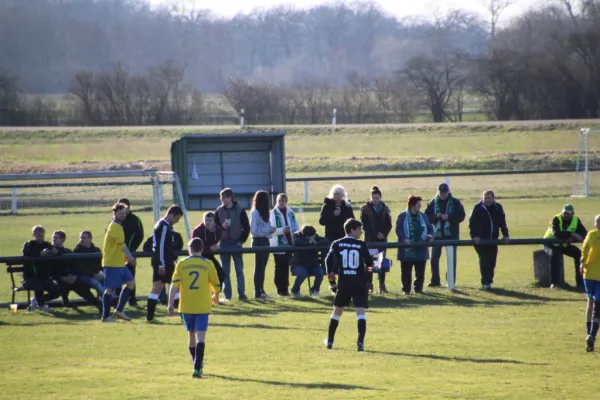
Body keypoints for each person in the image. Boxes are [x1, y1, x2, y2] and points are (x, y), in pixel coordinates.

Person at [167, 238, 220, 378]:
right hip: (202, 305)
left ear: (189, 249)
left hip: (186, 305)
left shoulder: (181, 263)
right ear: (202, 249)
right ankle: (197, 368)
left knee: (191, 335)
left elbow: (174, 285)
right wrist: (216, 295)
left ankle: (195, 362)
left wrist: (170, 303)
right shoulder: (208, 263)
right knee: (201, 337)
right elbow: (216, 283)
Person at [324, 219, 374, 351]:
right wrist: (369, 279)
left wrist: (332, 279)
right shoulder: (361, 244)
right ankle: (360, 342)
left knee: (337, 312)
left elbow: (328, 259)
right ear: (351, 230)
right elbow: (369, 264)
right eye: (359, 229)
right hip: (359, 282)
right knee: (360, 312)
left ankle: (330, 341)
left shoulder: (337, 243)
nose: (361, 232)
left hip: (344, 283)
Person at [44, 230, 101, 312]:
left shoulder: (67, 251)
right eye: (53, 238)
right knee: (59, 288)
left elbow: (74, 265)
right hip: (55, 278)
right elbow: (49, 259)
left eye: (56, 238)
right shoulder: (49, 251)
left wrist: (72, 276)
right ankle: (39, 300)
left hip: (68, 278)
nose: (53, 239)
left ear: (62, 240)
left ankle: (98, 304)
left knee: (81, 287)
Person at [146, 205, 183, 323]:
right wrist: (161, 264)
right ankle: (183, 316)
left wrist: (174, 258)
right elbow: (160, 247)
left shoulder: (166, 226)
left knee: (167, 287)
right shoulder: (163, 226)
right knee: (172, 286)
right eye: (177, 218)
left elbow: (167, 248)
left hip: (164, 261)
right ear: (171, 214)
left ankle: (150, 317)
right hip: (162, 262)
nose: (177, 221)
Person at [101, 202, 137, 322]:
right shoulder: (115, 226)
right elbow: (122, 245)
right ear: (114, 213)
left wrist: (124, 258)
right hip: (112, 263)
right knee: (109, 289)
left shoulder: (118, 226)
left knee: (131, 283)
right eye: (120, 213)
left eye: (124, 213)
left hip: (119, 263)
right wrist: (130, 257)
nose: (122, 215)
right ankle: (106, 316)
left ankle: (119, 310)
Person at [424, 183, 466, 287]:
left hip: (452, 235)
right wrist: (436, 217)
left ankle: (450, 281)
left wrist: (450, 217)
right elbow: (427, 217)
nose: (443, 194)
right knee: (434, 258)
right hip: (437, 235)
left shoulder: (456, 203)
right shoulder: (433, 202)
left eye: (445, 192)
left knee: (451, 260)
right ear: (438, 191)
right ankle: (435, 281)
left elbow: (461, 216)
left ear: (448, 191)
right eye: (441, 192)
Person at [468, 190, 510, 290]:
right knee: (484, 260)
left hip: (493, 240)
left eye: (488, 198)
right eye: (485, 198)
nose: (486, 200)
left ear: (493, 198)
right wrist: (475, 236)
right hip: (481, 240)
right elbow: (472, 223)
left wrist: (506, 235)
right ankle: (485, 282)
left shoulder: (498, 208)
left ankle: (489, 281)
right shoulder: (477, 208)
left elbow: (502, 222)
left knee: (492, 261)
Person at [214, 188, 250, 302]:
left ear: (231, 198)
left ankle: (242, 294)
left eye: (224, 197)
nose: (222, 200)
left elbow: (246, 228)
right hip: (224, 244)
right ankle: (227, 295)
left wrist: (241, 241)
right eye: (221, 198)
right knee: (225, 271)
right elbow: (214, 228)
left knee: (239, 270)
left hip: (236, 244)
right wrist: (221, 228)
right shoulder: (218, 211)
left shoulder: (240, 210)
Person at [319, 184, 355, 294]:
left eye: (338, 194)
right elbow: (322, 221)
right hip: (330, 238)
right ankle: (333, 284)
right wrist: (332, 214)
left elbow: (352, 220)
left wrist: (343, 215)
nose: (336, 196)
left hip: (344, 238)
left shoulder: (347, 206)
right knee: (331, 262)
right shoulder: (327, 206)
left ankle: (343, 286)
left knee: (345, 262)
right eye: (334, 194)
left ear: (343, 195)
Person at [396, 195, 434, 295]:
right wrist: (404, 239)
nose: (420, 206)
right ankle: (406, 290)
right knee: (406, 271)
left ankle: (418, 289)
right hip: (407, 250)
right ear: (412, 205)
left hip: (421, 249)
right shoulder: (402, 216)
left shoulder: (423, 216)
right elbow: (399, 229)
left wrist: (430, 235)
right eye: (418, 204)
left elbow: (430, 228)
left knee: (420, 271)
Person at [543, 204, 587, 289]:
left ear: (573, 213)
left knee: (579, 254)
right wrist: (572, 234)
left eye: (568, 213)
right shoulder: (556, 218)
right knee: (554, 255)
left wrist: (572, 237)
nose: (565, 215)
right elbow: (556, 233)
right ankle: (554, 283)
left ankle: (580, 283)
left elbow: (584, 233)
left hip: (562, 244)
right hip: (550, 243)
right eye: (564, 213)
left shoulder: (576, 220)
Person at [359, 185, 392, 294]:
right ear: (370, 198)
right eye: (373, 198)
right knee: (370, 263)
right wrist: (376, 233)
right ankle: (369, 284)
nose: (375, 200)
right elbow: (365, 225)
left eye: (377, 198)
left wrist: (383, 233)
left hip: (382, 241)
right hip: (370, 240)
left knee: (381, 262)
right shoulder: (365, 209)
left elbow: (389, 224)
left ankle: (382, 284)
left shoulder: (386, 209)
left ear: (380, 197)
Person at [21, 225, 60, 312]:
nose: (41, 238)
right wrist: (40, 253)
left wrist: (55, 252)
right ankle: (41, 304)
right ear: (33, 235)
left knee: (57, 292)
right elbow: (26, 253)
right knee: (38, 286)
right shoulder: (28, 244)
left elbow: (57, 253)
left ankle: (38, 301)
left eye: (42, 236)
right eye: (39, 236)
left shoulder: (47, 244)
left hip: (44, 277)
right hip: (30, 277)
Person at [269, 193, 301, 296]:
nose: (281, 203)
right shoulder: (273, 213)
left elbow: (295, 225)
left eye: (283, 201)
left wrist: (297, 232)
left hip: (289, 243)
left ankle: (285, 289)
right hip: (278, 244)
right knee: (279, 267)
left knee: (286, 267)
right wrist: (282, 230)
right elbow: (271, 229)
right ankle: (280, 290)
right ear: (276, 201)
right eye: (280, 201)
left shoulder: (290, 212)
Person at [116, 198, 144, 306]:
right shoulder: (115, 221)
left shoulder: (135, 220)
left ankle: (132, 299)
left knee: (131, 277)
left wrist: (132, 248)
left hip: (130, 253)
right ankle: (117, 300)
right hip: (117, 254)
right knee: (117, 276)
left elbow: (140, 235)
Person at [289, 225, 329, 297]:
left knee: (320, 273)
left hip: (313, 265)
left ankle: (315, 290)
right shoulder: (297, 236)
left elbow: (326, 241)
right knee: (302, 274)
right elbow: (296, 242)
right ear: (306, 236)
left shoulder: (314, 236)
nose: (313, 237)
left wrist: (315, 242)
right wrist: (309, 242)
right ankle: (295, 291)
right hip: (298, 265)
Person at [250, 190, 276, 299]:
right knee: (259, 267)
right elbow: (254, 230)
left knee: (263, 267)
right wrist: (267, 230)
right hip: (258, 241)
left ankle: (261, 289)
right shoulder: (254, 213)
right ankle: (257, 291)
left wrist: (270, 230)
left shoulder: (265, 213)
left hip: (265, 240)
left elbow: (264, 227)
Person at [192, 212, 225, 292]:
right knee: (203, 276)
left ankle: (216, 294)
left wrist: (215, 247)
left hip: (210, 257)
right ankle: (204, 294)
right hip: (199, 257)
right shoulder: (197, 231)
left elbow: (216, 242)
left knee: (221, 274)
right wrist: (209, 248)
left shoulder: (218, 230)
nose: (207, 222)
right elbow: (194, 247)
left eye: (210, 220)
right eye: (206, 220)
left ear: (214, 221)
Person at [581, 215, 600, 352]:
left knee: (590, 304)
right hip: (595, 275)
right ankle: (591, 335)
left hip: (589, 274)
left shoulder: (591, 234)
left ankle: (589, 335)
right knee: (597, 306)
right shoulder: (592, 235)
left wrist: (582, 263)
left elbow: (584, 249)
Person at [73, 231, 104, 297]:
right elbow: (80, 268)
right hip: (83, 276)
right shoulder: (77, 251)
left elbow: (100, 264)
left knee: (109, 281)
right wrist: (93, 275)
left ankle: (112, 300)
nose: (81, 239)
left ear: (90, 239)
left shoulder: (96, 250)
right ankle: (110, 301)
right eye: (80, 237)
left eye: (84, 238)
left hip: (96, 274)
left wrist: (101, 273)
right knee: (96, 284)